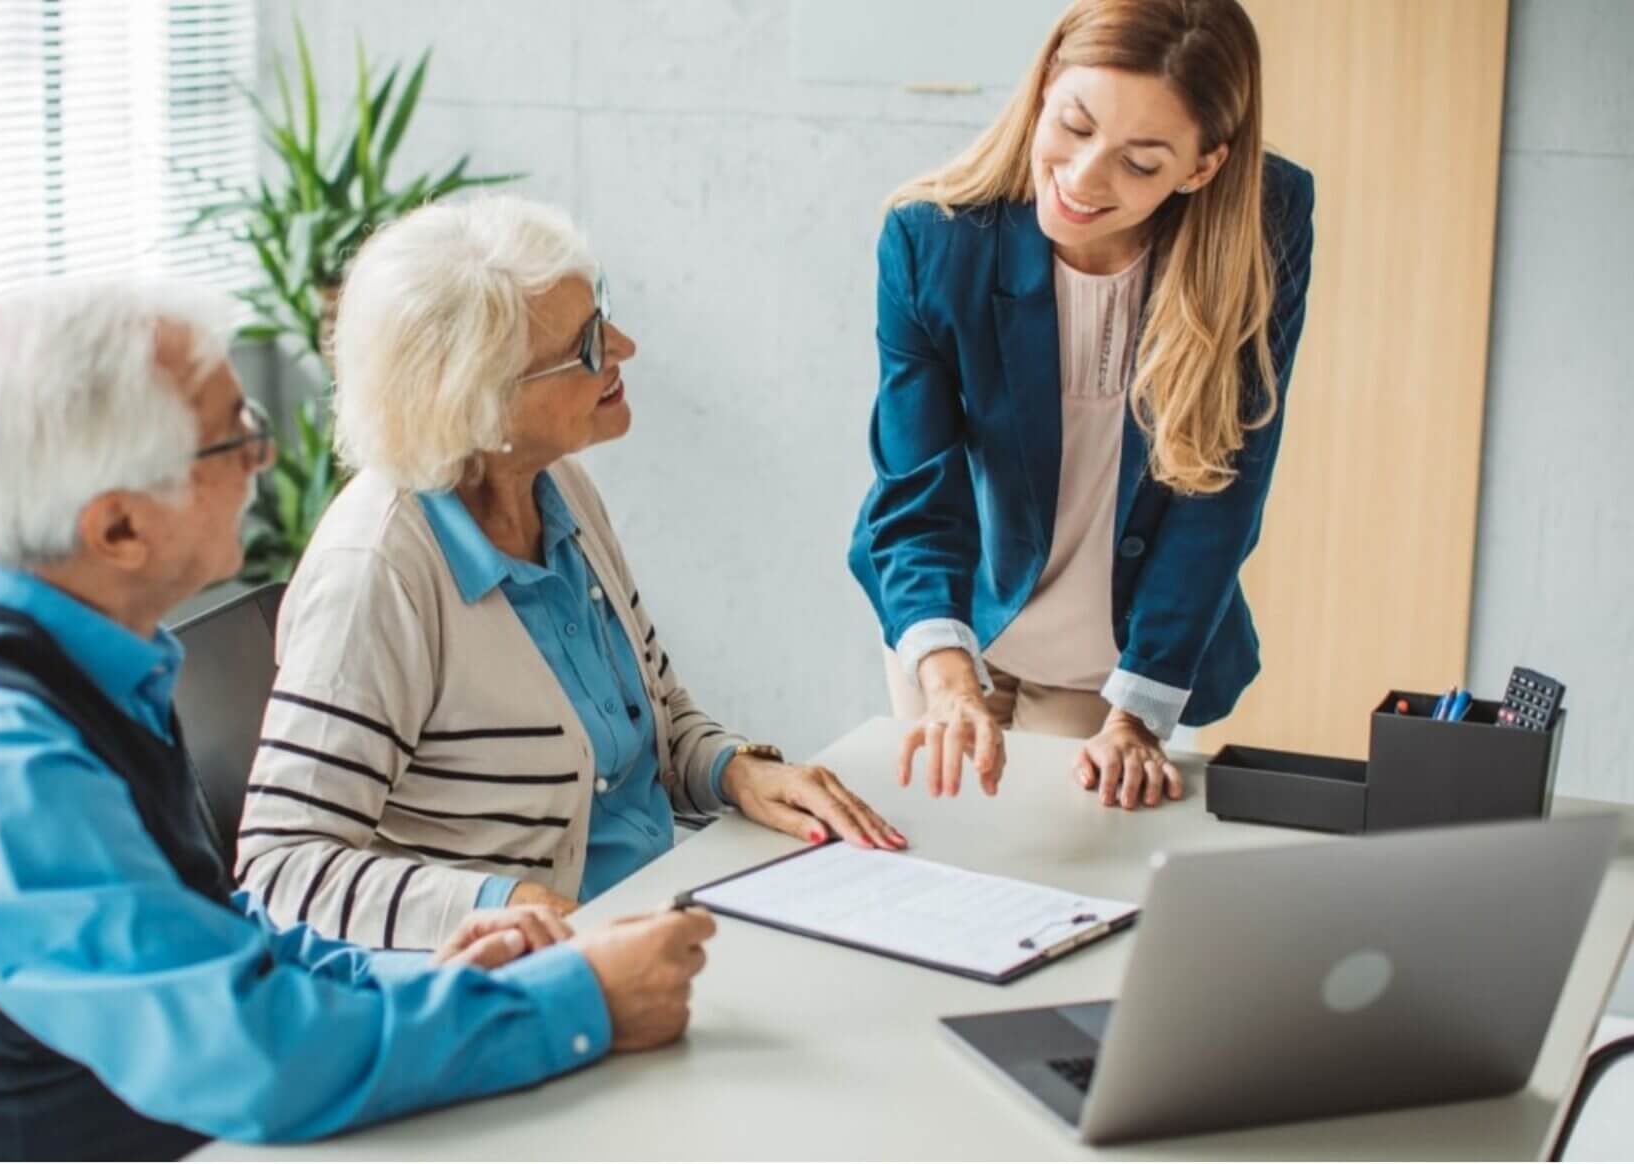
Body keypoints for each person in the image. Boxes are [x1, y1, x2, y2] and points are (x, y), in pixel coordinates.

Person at [0, 277, 716, 1160]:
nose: (265, 460)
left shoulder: (60, 650)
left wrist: (440, 981)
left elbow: (214, 936)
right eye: (234, 440)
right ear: (116, 529)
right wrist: (578, 1001)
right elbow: (255, 1059)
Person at [234, 195, 903, 945]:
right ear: (480, 405)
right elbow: (281, 867)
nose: (624, 346)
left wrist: (738, 770)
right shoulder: (377, 573)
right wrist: (506, 901)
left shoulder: (559, 491)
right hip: (514, 989)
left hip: (648, 919)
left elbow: (653, 719)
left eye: (603, 312)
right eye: (587, 345)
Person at [848, 0, 1315, 813]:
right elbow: (916, 494)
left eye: (1140, 163)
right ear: (1046, 83)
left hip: (1119, 660)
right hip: (958, 627)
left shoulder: (1261, 222)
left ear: (1201, 168)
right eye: (1073, 124)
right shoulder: (933, 237)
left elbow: (1224, 485)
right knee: (940, 863)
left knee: (1061, 878)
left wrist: (1138, 714)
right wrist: (949, 682)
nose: (1084, 177)